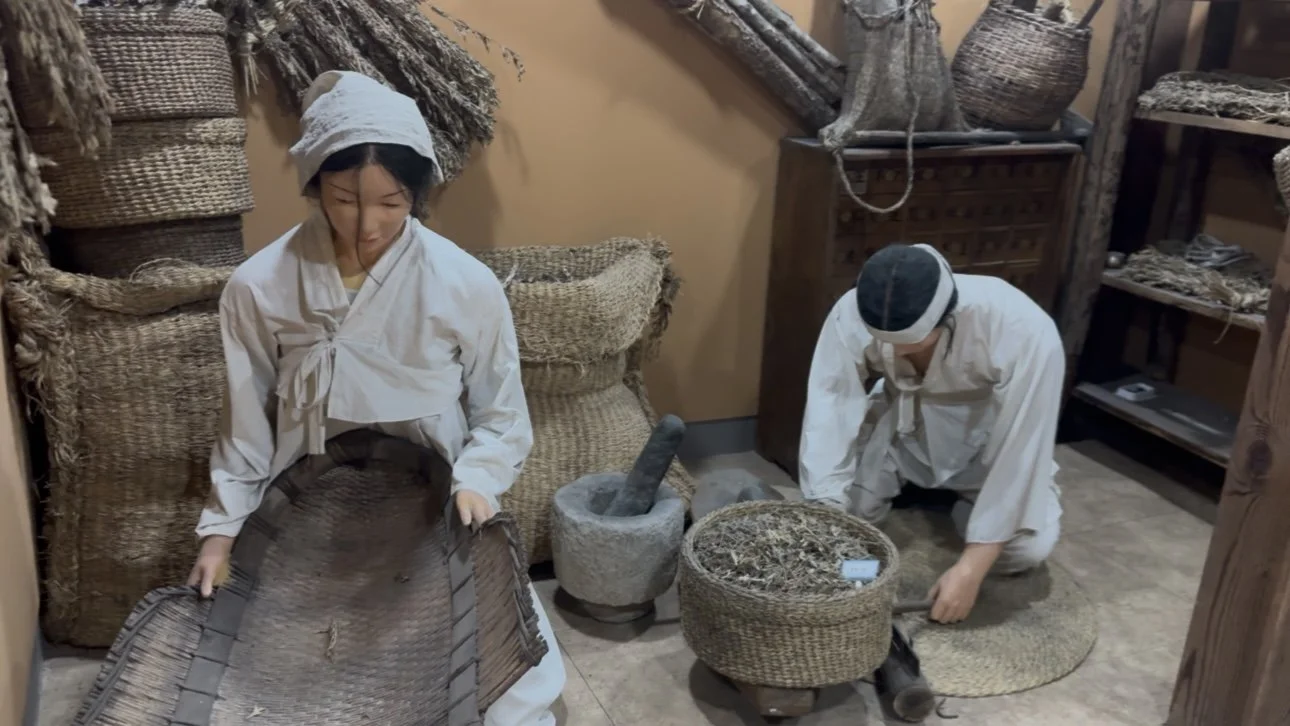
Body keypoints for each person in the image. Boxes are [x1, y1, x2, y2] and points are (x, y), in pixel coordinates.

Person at [186, 70, 565, 726]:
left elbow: (501, 412)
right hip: (312, 503)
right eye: (344, 199)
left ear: (417, 192)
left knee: (492, 686)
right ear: (314, 185)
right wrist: (221, 531)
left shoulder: (464, 284)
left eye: (392, 202)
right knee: (304, 680)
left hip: (431, 495)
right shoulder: (259, 286)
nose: (367, 225)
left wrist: (477, 480)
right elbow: (245, 425)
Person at [798, 242, 1064, 625]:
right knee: (846, 533)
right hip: (899, 431)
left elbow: (1024, 446)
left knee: (1023, 552)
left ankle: (958, 505)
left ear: (947, 319)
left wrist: (970, 570)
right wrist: (827, 513)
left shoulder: (1021, 327)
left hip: (983, 446)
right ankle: (910, 494)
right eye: (889, 345)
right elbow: (831, 407)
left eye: (909, 345)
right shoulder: (852, 310)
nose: (897, 354)